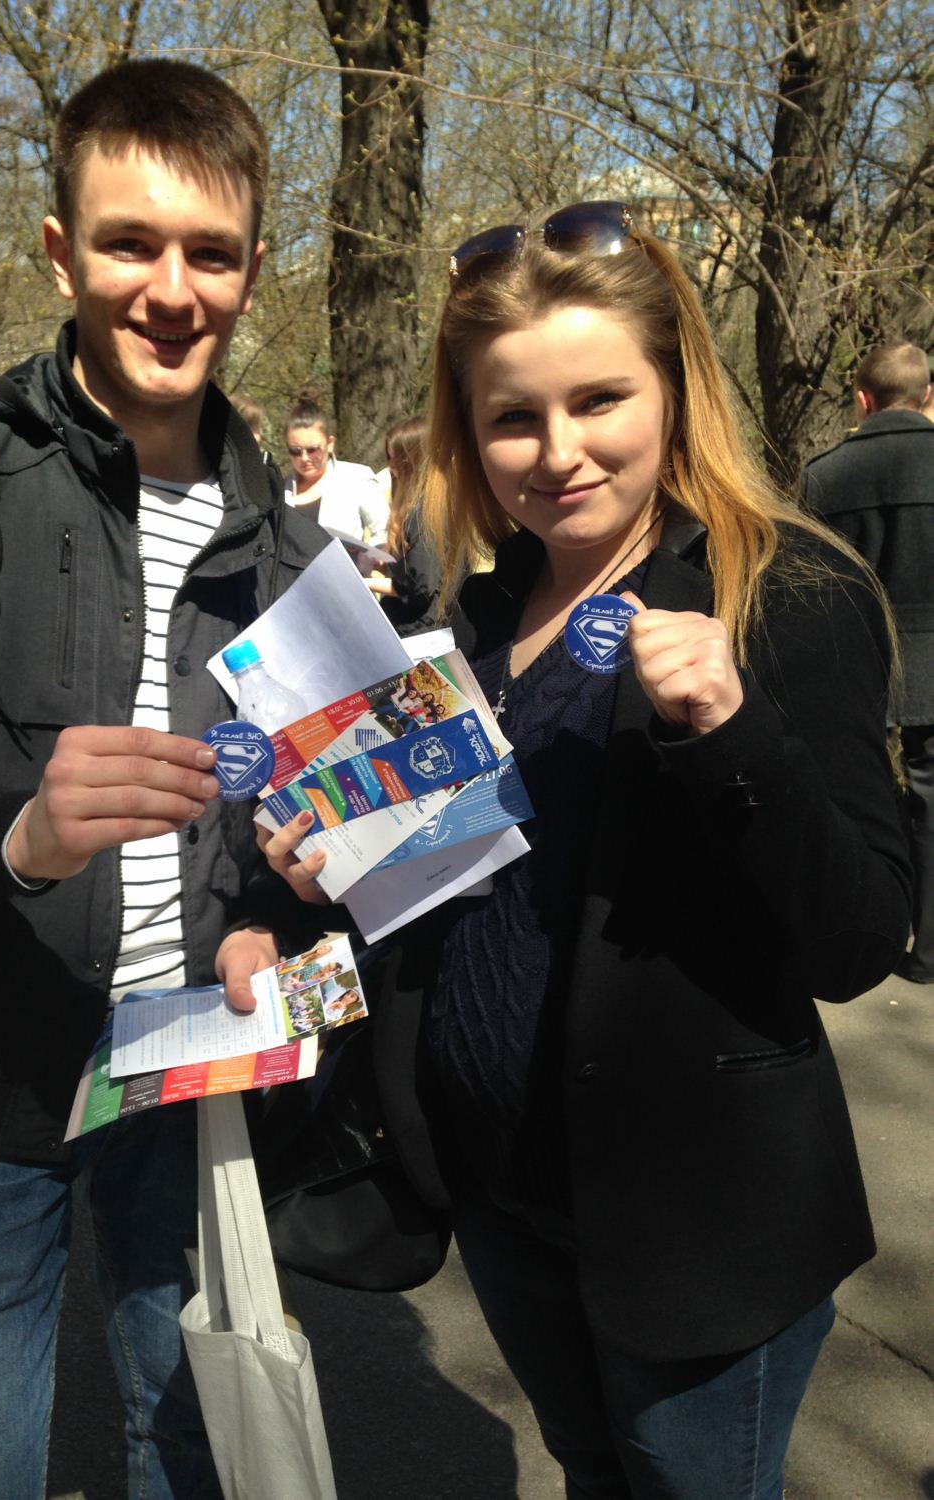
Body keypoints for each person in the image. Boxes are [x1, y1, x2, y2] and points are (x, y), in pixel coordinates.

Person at [258, 202, 911, 1498]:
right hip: (501, 1198)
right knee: (588, 1473)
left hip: (690, 1221)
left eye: (600, 400)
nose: (558, 453)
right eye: (514, 417)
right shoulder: (472, 616)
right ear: (468, 432)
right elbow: (445, 892)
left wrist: (731, 730)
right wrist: (331, 871)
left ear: (674, 391)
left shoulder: (781, 591)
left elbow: (860, 939)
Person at [0, 58, 329, 1500]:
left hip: (192, 1076)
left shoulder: (295, 554)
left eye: (210, 253)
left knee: (190, 1448)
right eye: (129, 243)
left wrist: (277, 913)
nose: (171, 291)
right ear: (60, 250)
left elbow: (311, 830)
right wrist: (16, 834)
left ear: (252, 267)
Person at [802, 342, 934, 983]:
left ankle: (861, 932)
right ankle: (928, 949)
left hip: (853, 659)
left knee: (857, 790)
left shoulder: (825, 474)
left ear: (862, 399)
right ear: (927, 396)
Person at [365, 414, 446, 630]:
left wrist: (364, 583)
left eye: (399, 460)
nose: (391, 467)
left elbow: (421, 589)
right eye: (389, 458)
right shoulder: (423, 505)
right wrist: (389, 565)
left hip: (424, 635)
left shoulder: (426, 514)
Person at [283, 392, 390, 545]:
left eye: (312, 449)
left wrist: (365, 555)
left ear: (330, 444)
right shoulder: (280, 491)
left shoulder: (357, 478)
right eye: (295, 451)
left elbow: (384, 529)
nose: (304, 458)